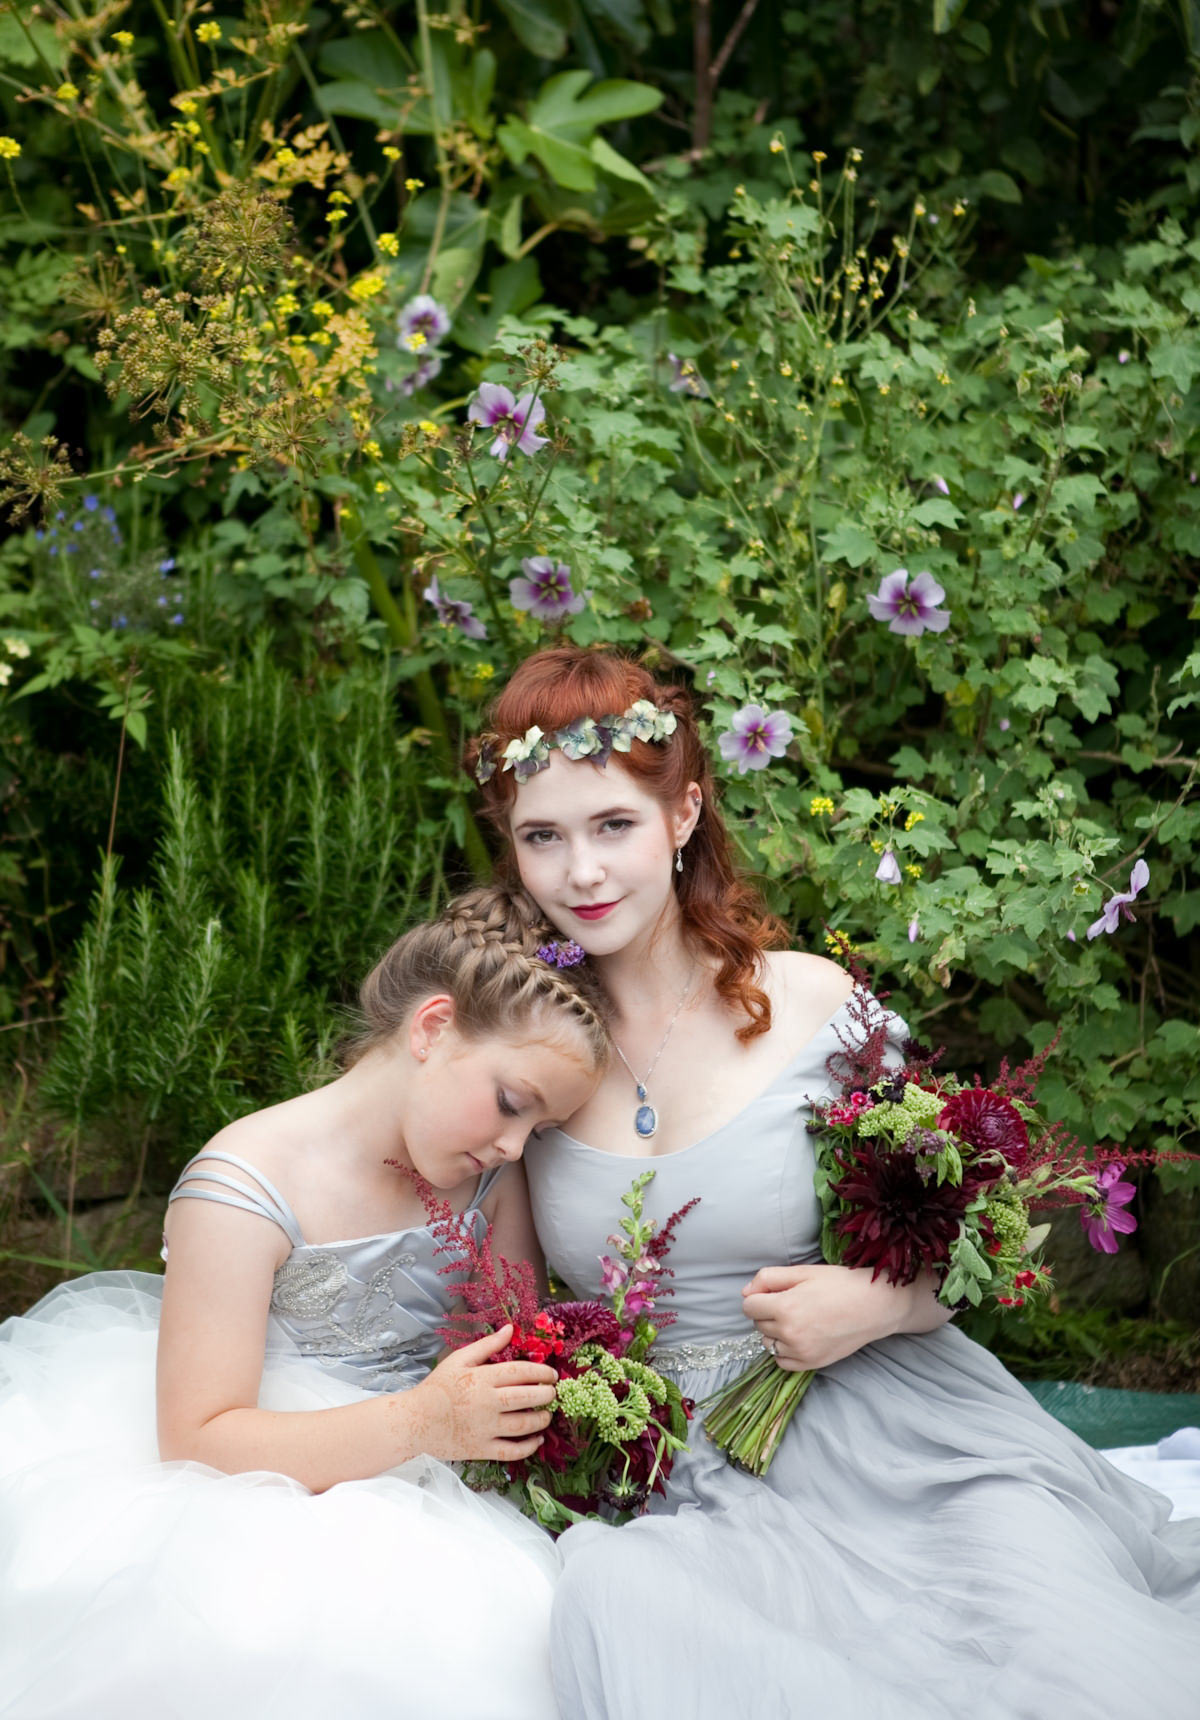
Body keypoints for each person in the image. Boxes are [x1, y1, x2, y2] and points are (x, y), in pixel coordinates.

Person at [468, 645, 1200, 1720]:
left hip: (895, 1427)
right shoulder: (526, 1058)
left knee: (1051, 1656)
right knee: (685, 1636)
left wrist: (880, 1301)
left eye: (612, 825)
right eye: (544, 837)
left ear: (682, 816)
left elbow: (968, 1229)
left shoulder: (812, 1006)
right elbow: (512, 1306)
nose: (581, 873)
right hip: (689, 1483)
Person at [0, 887, 609, 1720]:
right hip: (257, 1491)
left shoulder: (490, 1174)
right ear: (432, 1028)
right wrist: (421, 1425)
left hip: (447, 1481)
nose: (513, 1144)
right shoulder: (244, 1183)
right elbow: (196, 1435)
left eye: (537, 1130)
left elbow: (512, 1339)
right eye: (512, 1102)